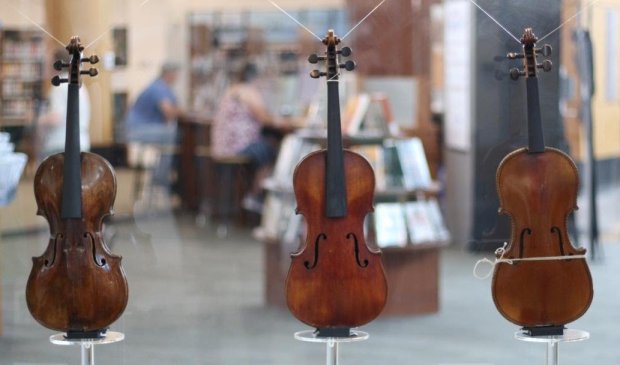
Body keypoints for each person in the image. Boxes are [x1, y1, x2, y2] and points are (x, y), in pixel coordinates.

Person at [211, 63, 287, 211]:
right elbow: (265, 118)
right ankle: (255, 195)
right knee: (271, 152)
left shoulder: (231, 90)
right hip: (237, 147)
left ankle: (252, 195)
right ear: (255, 78)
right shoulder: (249, 91)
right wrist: (283, 120)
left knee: (265, 146)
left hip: (221, 147)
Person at [125, 62, 183, 188]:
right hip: (139, 130)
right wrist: (181, 111)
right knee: (173, 135)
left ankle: (162, 174)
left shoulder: (161, 86)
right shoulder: (159, 87)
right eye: (176, 75)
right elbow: (168, 112)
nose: (177, 78)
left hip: (140, 129)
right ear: (169, 74)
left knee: (172, 135)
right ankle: (160, 177)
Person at [38, 48, 90, 158]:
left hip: (59, 144)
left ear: (57, 65)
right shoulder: (80, 86)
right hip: (82, 142)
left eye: (49, 63)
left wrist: (36, 120)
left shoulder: (59, 86)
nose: (47, 67)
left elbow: (56, 117)